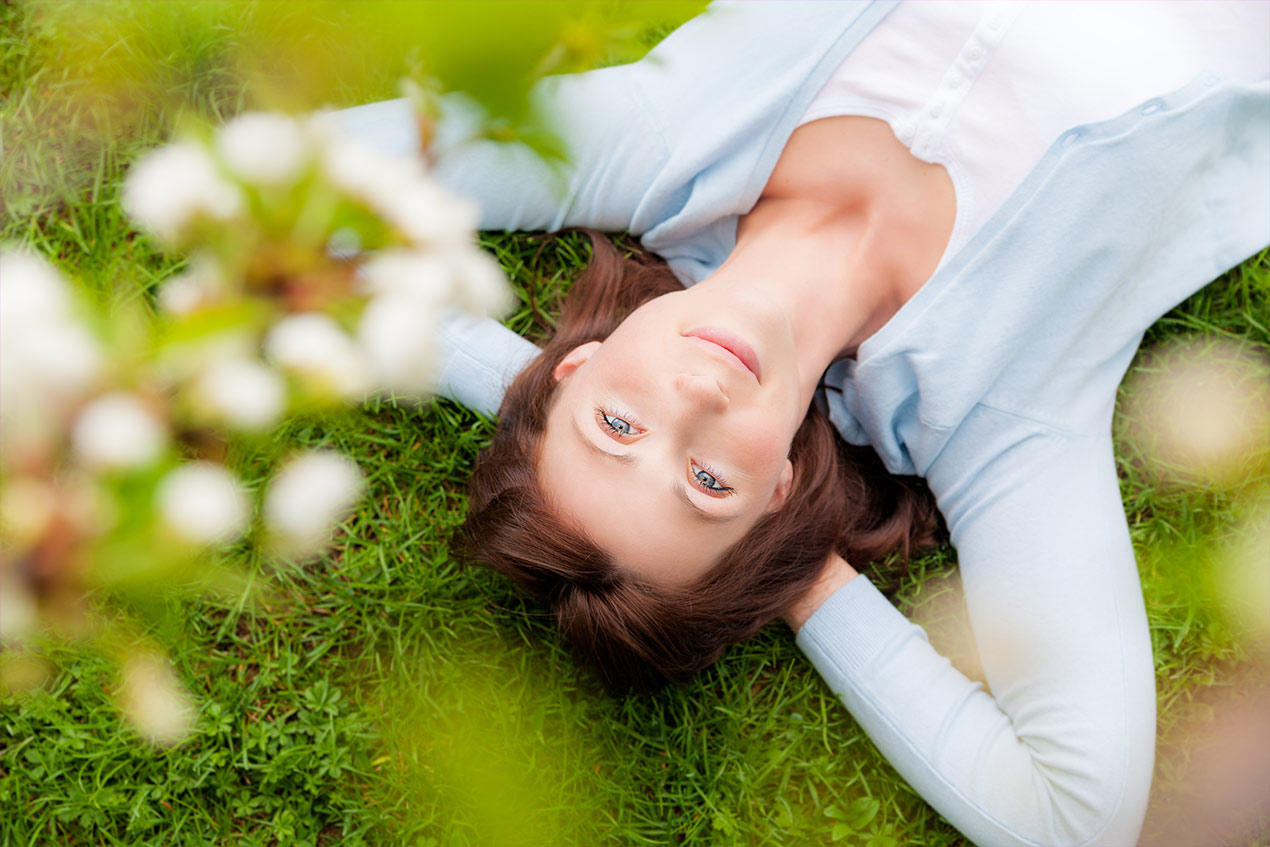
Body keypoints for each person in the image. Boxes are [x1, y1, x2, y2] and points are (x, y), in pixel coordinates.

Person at [334, 2, 1270, 844]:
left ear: (579, 362)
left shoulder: (665, 139)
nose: (696, 401)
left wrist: (519, 384)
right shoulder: (1001, 402)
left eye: (616, 423)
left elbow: (281, 202)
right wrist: (800, 578)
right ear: (778, 489)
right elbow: (1074, 819)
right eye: (708, 483)